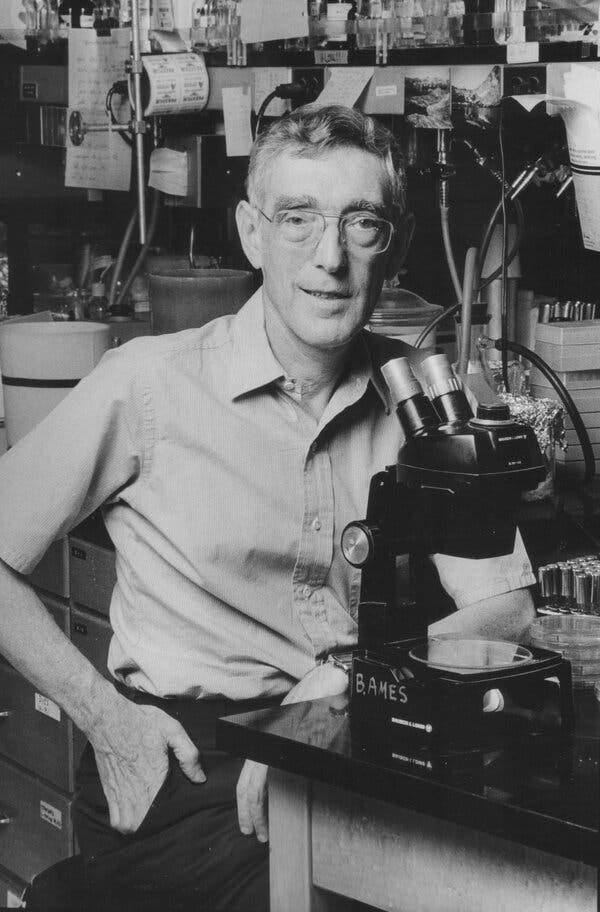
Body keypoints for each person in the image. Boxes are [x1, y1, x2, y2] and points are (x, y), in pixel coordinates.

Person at [0, 104, 536, 911]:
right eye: (298, 219)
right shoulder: (149, 382)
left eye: (362, 223)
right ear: (251, 233)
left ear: (392, 245)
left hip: (355, 735)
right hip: (187, 761)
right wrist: (104, 717)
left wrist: (341, 682)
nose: (330, 258)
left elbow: (506, 609)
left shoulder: (420, 398)